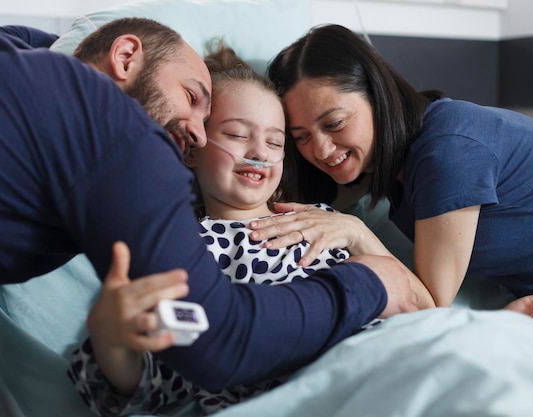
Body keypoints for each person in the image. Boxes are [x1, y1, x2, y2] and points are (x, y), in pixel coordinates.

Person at [0, 18, 418, 409]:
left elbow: (424, 310)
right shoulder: (168, 210)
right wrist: (367, 282)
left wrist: (358, 238)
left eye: (278, 140)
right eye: (196, 101)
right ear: (126, 55)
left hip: (404, 366)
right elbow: (200, 354)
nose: (194, 130)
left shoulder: (7, 66)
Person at [68, 42, 385, 416]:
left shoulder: (325, 219)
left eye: (275, 141)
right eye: (236, 134)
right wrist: (111, 341)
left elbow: (413, 302)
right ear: (191, 149)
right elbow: (159, 382)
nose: (260, 152)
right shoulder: (183, 249)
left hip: (388, 366)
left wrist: (359, 233)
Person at [249, 23, 533, 318]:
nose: (321, 150)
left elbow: (432, 305)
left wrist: (356, 233)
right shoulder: (392, 161)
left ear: (378, 95)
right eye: (301, 136)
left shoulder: (447, 151)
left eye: (334, 123)